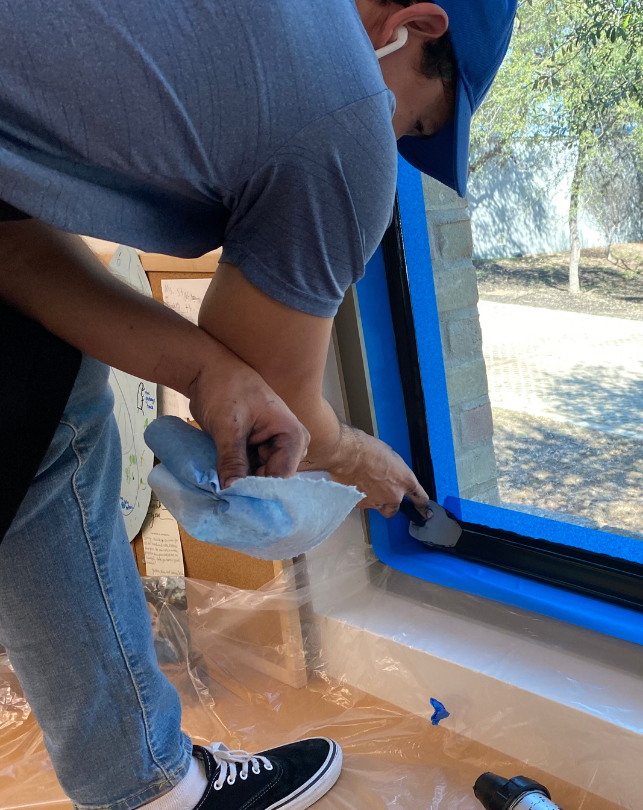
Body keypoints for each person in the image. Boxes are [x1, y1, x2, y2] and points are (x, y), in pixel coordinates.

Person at [0, 0, 515, 807]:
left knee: (52, 406)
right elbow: (277, 404)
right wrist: (351, 454)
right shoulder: (344, 110)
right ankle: (150, 788)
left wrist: (205, 370)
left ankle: (141, 782)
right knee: (47, 422)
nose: (400, 144)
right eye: (420, 123)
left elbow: (15, 250)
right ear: (415, 24)